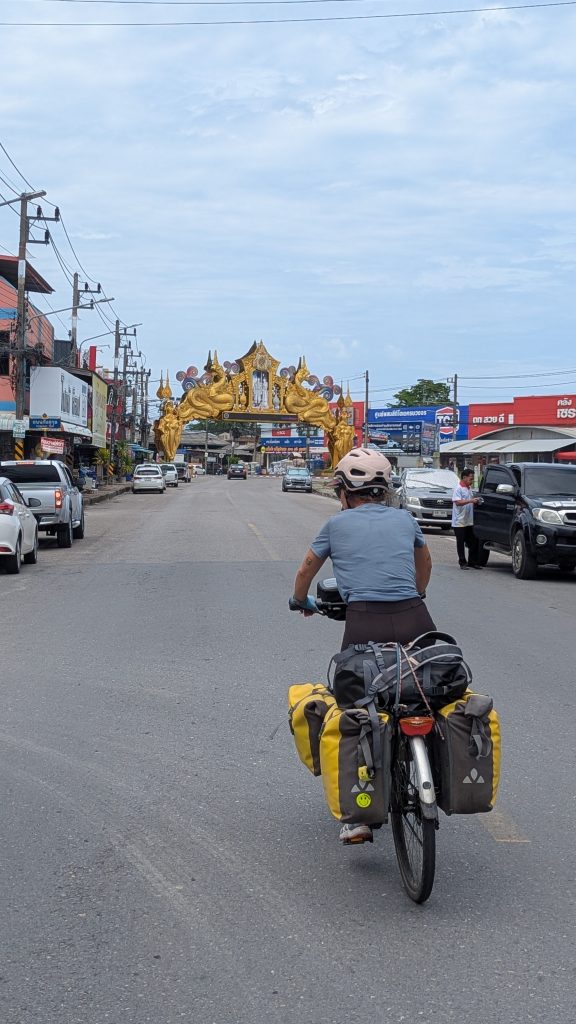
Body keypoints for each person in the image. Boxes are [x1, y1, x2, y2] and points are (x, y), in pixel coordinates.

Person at [291, 448, 434, 845]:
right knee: (426, 692)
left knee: (355, 708)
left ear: (344, 491)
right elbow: (424, 564)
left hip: (364, 623)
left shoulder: (336, 525)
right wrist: (417, 593)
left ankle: (360, 818)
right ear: (384, 490)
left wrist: (300, 600)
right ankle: (431, 766)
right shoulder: (406, 519)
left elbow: (305, 570)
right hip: (416, 619)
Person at [451, 467, 481, 570]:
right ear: (464, 477)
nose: (471, 480)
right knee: (460, 542)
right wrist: (470, 501)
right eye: (470, 478)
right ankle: (462, 562)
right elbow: (457, 502)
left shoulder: (469, 488)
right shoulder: (458, 488)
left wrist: (475, 500)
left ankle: (472, 562)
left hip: (468, 520)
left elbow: (470, 500)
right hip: (459, 521)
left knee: (473, 541)